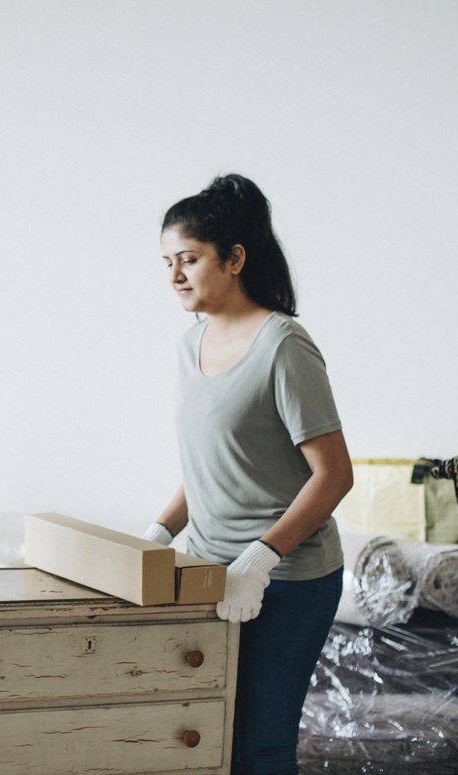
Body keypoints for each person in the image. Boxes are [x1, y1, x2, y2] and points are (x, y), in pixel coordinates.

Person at [141, 174, 353, 775]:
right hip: (209, 574)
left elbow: (334, 476)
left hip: (288, 580)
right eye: (167, 262)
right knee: (209, 737)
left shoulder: (283, 345)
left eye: (189, 259)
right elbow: (214, 466)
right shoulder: (191, 344)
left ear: (234, 259)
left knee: (261, 747)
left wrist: (260, 560)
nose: (175, 275)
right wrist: (159, 532)